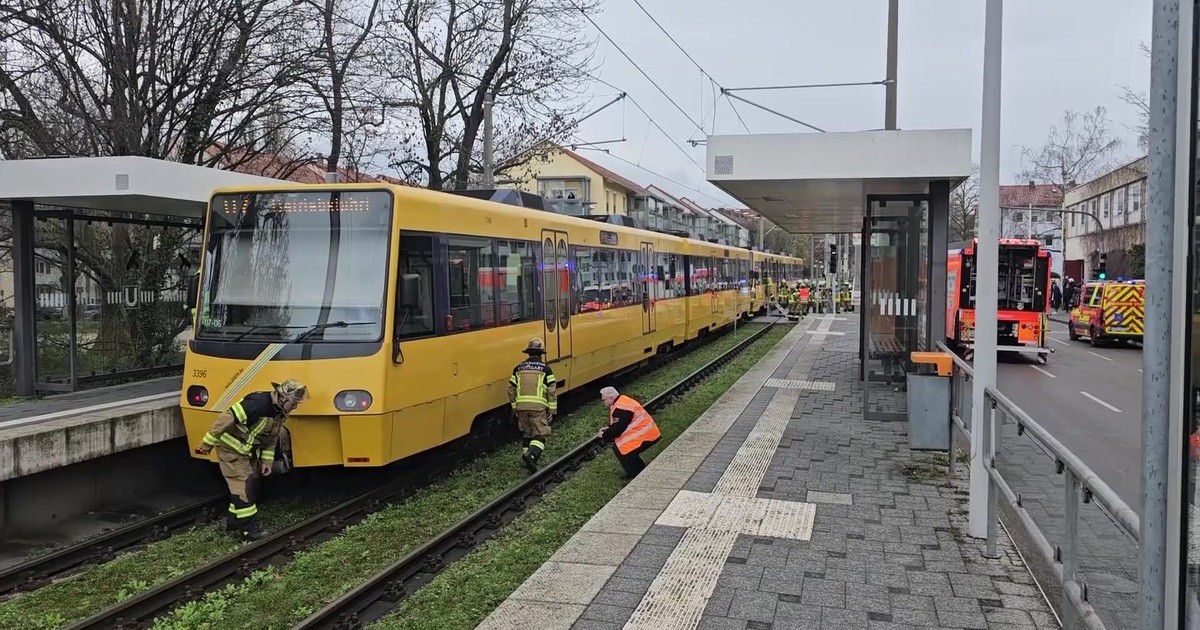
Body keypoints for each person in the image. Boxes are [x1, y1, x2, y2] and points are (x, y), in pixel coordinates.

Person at [195, 380, 309, 540]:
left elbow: (271, 439)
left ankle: (233, 521)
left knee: (252, 483)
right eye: (293, 403)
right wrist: (206, 444)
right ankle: (249, 529)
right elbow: (225, 419)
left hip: (246, 452)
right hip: (231, 450)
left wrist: (267, 462)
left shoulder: (279, 412)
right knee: (244, 486)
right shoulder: (257, 403)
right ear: (282, 397)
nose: (295, 407)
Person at [508, 338, 557, 473]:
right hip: (538, 408)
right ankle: (532, 456)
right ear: (541, 354)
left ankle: (525, 458)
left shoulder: (518, 368)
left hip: (521, 407)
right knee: (541, 434)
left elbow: (511, 389)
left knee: (527, 433)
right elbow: (551, 391)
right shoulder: (545, 369)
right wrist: (552, 410)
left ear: (528, 353)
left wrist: (514, 406)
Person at [597, 387, 662, 479]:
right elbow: (621, 424)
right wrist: (609, 429)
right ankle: (639, 470)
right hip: (648, 432)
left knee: (622, 448)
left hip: (646, 435)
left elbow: (618, 429)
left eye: (604, 400)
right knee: (623, 448)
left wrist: (604, 435)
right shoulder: (622, 401)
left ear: (611, 398)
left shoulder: (620, 408)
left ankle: (636, 474)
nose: (603, 403)